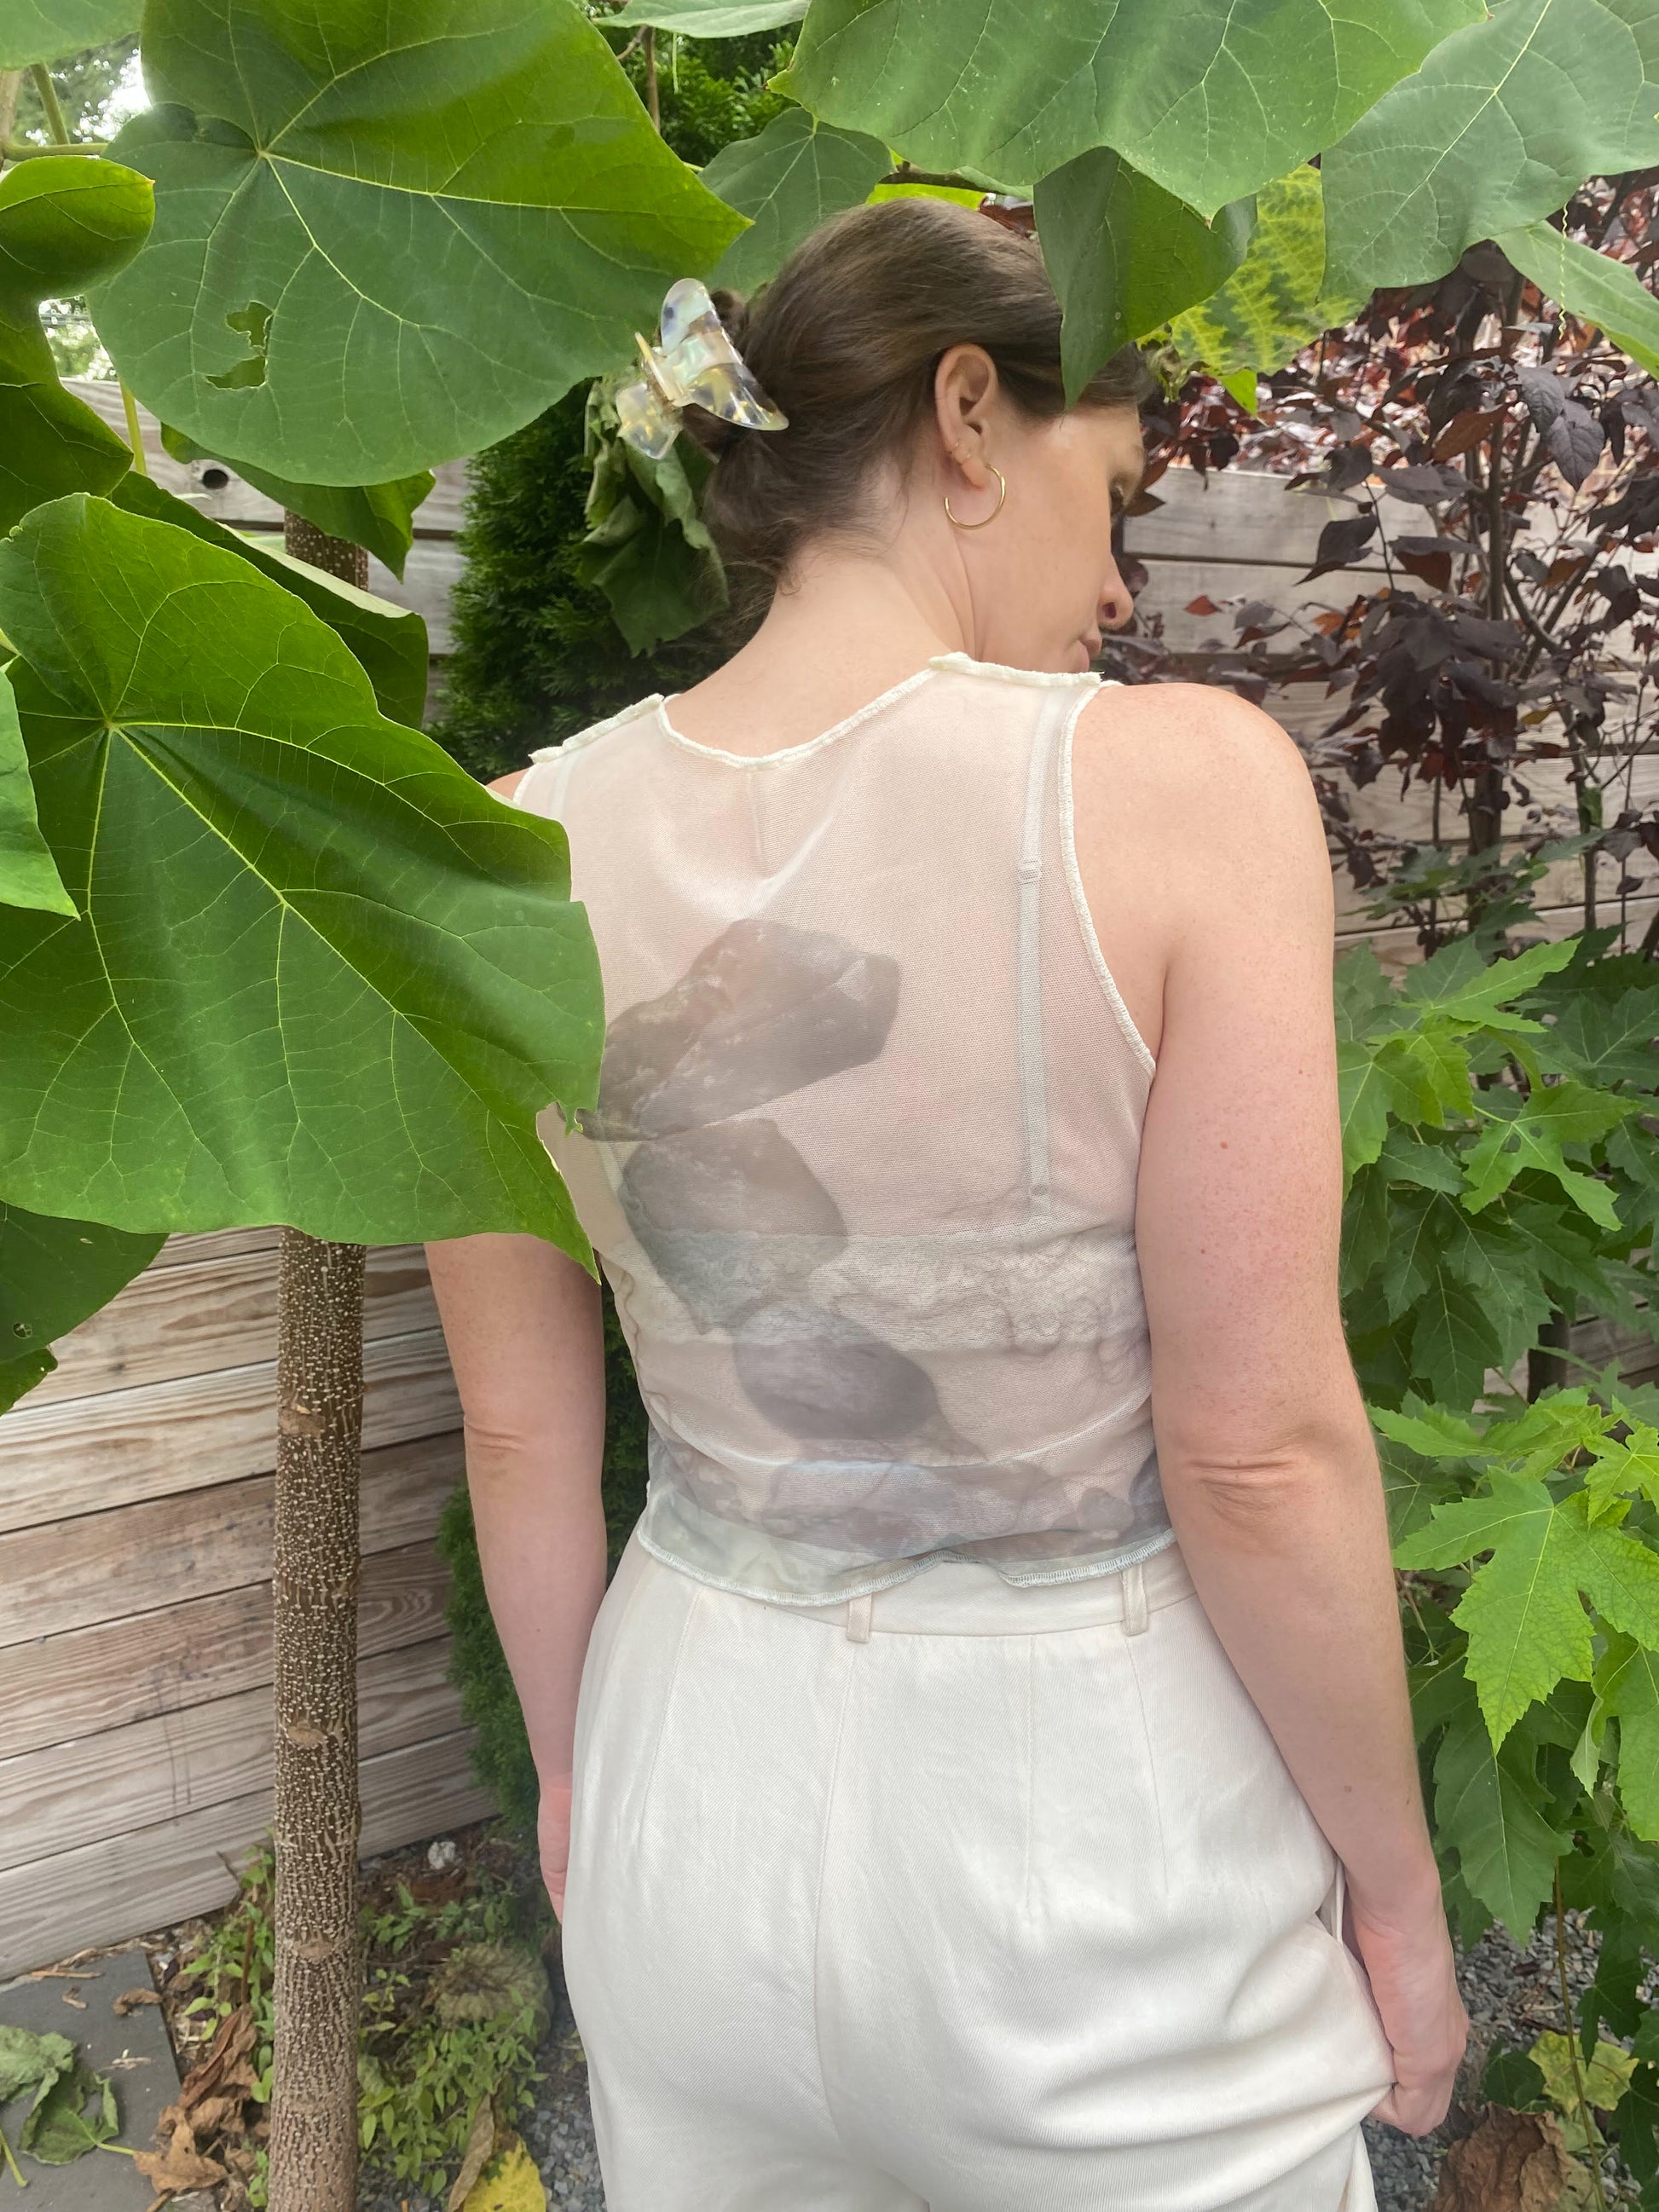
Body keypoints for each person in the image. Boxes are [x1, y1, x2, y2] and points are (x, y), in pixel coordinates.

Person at [425, 195, 1467, 2212]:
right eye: (1117, 492)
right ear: (972, 418)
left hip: (686, 1797)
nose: (1113, 574)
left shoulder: (505, 848)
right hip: (1088, 1834)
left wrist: (579, 1789)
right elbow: (1253, 1450)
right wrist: (1399, 1899)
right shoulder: (1186, 789)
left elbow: (520, 1427)